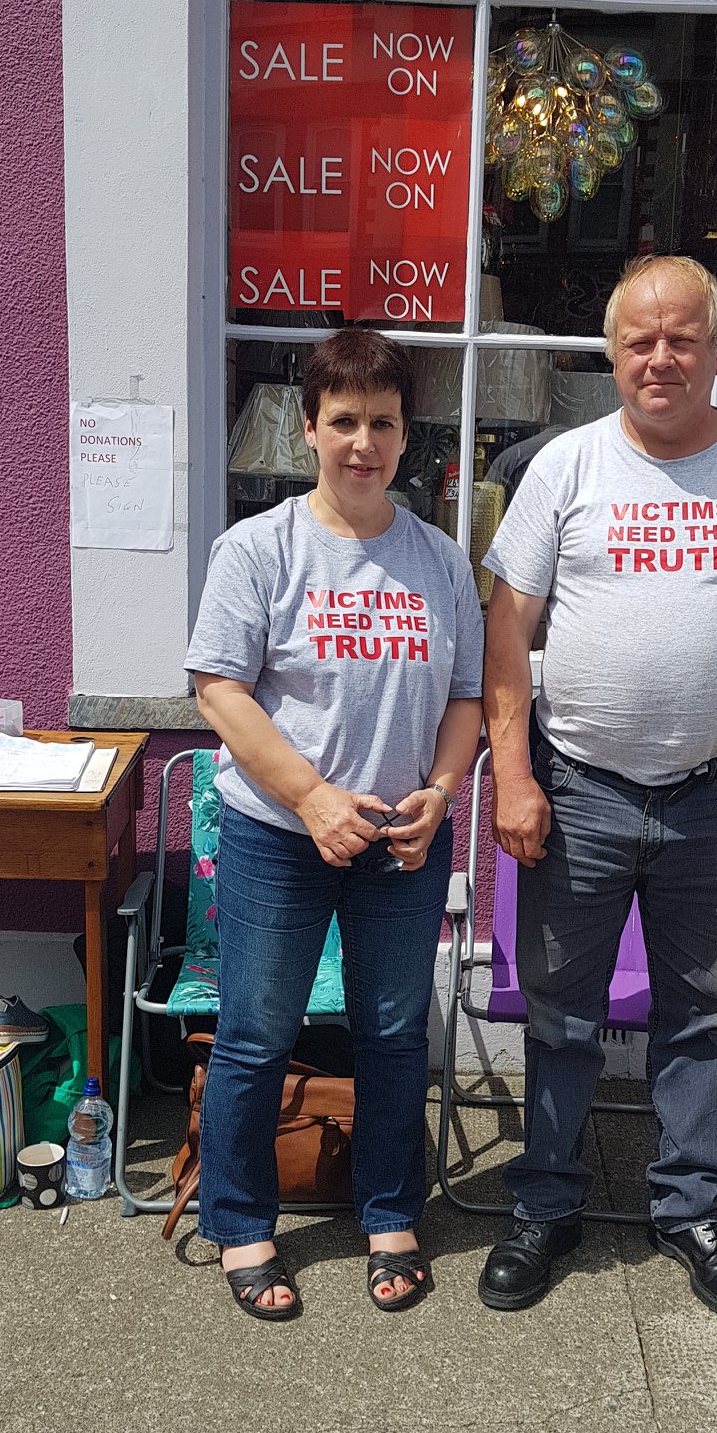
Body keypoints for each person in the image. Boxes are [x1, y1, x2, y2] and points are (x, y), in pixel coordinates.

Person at [478, 255, 717, 1321]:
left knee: (698, 1019)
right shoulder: (565, 467)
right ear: (610, 353)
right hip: (579, 788)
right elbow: (507, 627)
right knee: (559, 1017)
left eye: (681, 338)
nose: (659, 357)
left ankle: (690, 1210)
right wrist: (512, 775)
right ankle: (543, 1208)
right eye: (639, 340)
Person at [185, 331, 483, 1321]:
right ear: (309, 427)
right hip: (279, 832)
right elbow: (219, 690)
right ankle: (239, 1223)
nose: (364, 441)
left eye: (383, 423)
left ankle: (390, 1213)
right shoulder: (257, 549)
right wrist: (311, 798)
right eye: (344, 420)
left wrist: (442, 788)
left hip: (402, 834)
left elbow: (467, 699)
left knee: (394, 1030)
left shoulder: (440, 562)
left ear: (408, 437)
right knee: (256, 1031)